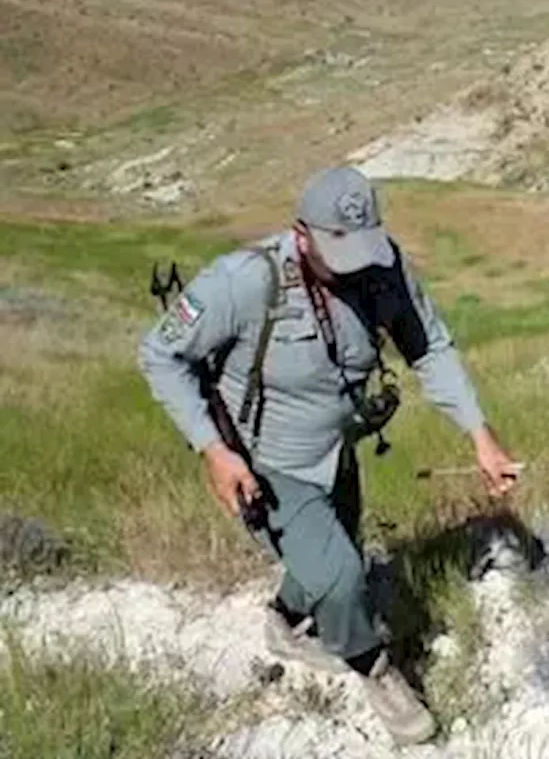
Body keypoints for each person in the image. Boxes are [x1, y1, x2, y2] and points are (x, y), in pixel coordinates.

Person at [137, 165, 522, 745]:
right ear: (300, 234)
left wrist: (480, 434)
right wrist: (212, 449)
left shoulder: (384, 269)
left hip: (335, 451)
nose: (357, 265)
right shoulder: (245, 281)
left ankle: (284, 625)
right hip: (266, 462)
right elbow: (160, 356)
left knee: (331, 552)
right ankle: (374, 669)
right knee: (343, 576)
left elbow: (429, 346)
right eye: (338, 249)